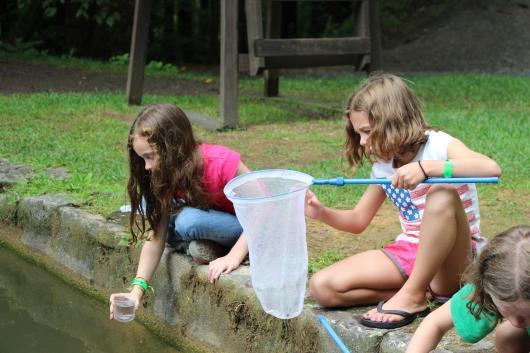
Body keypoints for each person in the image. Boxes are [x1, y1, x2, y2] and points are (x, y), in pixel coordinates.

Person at [304, 73, 501, 329]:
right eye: (358, 134)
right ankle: (417, 290)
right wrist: (321, 212)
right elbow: (358, 220)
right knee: (323, 288)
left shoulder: (439, 146)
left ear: (392, 122)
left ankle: (413, 294)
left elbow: (491, 168)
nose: (362, 142)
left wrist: (428, 168)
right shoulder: (383, 167)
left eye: (366, 132)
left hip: (454, 260)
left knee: (442, 194)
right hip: (410, 252)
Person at [109, 103, 249, 320]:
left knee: (186, 222)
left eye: (150, 156)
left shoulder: (220, 162)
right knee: (151, 207)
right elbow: (156, 238)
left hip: (250, 228)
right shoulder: (165, 174)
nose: (146, 166)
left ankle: (221, 247)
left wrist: (234, 256)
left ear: (173, 147)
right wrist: (136, 291)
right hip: (210, 220)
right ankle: (203, 246)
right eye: (142, 158)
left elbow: (267, 210)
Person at [406, 225, 530, 352]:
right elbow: (434, 324)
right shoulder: (495, 283)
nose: (516, 322)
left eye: (528, 315)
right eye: (505, 309)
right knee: (508, 335)